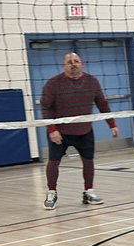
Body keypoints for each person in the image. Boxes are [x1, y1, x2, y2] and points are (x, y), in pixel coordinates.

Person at [39, 52, 118, 209]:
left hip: (84, 130)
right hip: (60, 132)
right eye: (69, 62)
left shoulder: (91, 81)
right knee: (54, 161)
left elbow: (102, 104)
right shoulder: (53, 83)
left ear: (82, 64)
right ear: (64, 65)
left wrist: (112, 124)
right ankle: (51, 192)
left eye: (76, 61)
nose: (73, 64)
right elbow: (45, 107)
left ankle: (89, 191)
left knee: (88, 161)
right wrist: (52, 129)